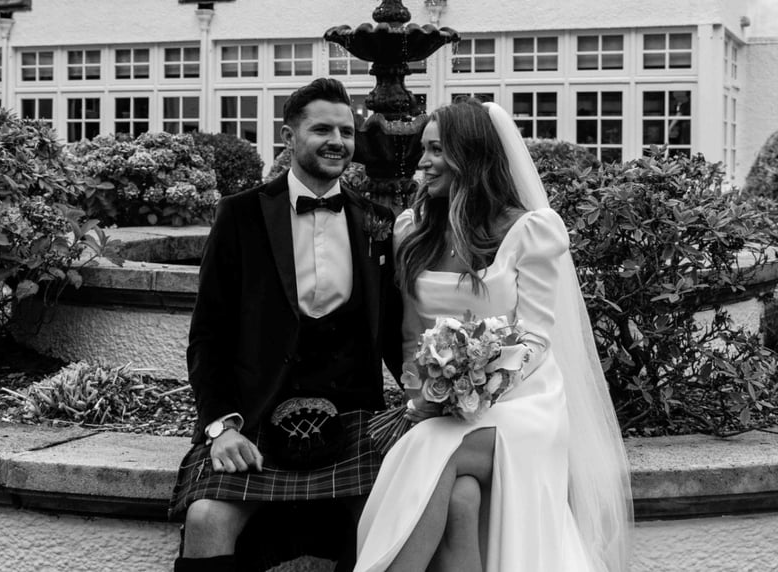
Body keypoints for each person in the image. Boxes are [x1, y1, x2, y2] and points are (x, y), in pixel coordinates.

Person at [354, 99, 633, 572]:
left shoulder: (530, 230)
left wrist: (479, 383)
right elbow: (411, 331)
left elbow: (537, 339)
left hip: (524, 404)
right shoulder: (413, 230)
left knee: (429, 450)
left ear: (471, 156)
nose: (423, 162)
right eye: (423, 149)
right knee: (461, 499)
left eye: (436, 150)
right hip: (443, 405)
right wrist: (422, 395)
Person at [168, 77, 403, 572]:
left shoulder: (377, 221)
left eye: (346, 131)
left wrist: (433, 400)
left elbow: (395, 334)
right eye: (322, 129)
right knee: (207, 517)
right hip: (255, 421)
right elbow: (208, 336)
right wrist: (221, 427)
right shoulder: (240, 215)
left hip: (353, 422)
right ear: (288, 137)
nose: (337, 141)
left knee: (388, 516)